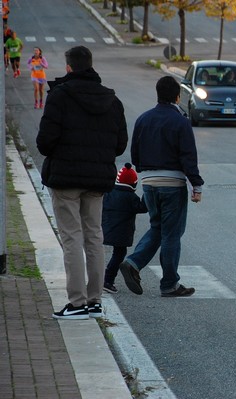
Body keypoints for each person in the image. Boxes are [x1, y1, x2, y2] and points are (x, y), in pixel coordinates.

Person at [36, 46, 128, 320]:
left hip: (65, 178)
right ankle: (94, 300)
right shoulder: (112, 100)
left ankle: (76, 303)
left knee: (71, 237)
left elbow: (44, 142)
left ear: (68, 67)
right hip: (98, 179)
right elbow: (120, 144)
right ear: (90, 65)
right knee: (94, 237)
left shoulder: (60, 96)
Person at [119, 76, 204, 298]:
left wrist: (146, 174)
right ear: (178, 96)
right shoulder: (181, 122)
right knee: (172, 234)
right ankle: (169, 284)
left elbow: (135, 153)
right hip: (172, 184)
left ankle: (133, 262)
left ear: (157, 94)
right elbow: (188, 157)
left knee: (158, 227)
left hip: (148, 183)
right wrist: (196, 185)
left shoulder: (143, 119)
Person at [102, 163, 148, 294]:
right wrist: (146, 194)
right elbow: (143, 208)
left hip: (104, 229)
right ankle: (108, 280)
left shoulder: (108, 193)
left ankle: (95, 278)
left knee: (96, 251)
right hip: (121, 234)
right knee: (119, 255)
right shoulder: (131, 198)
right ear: (134, 184)